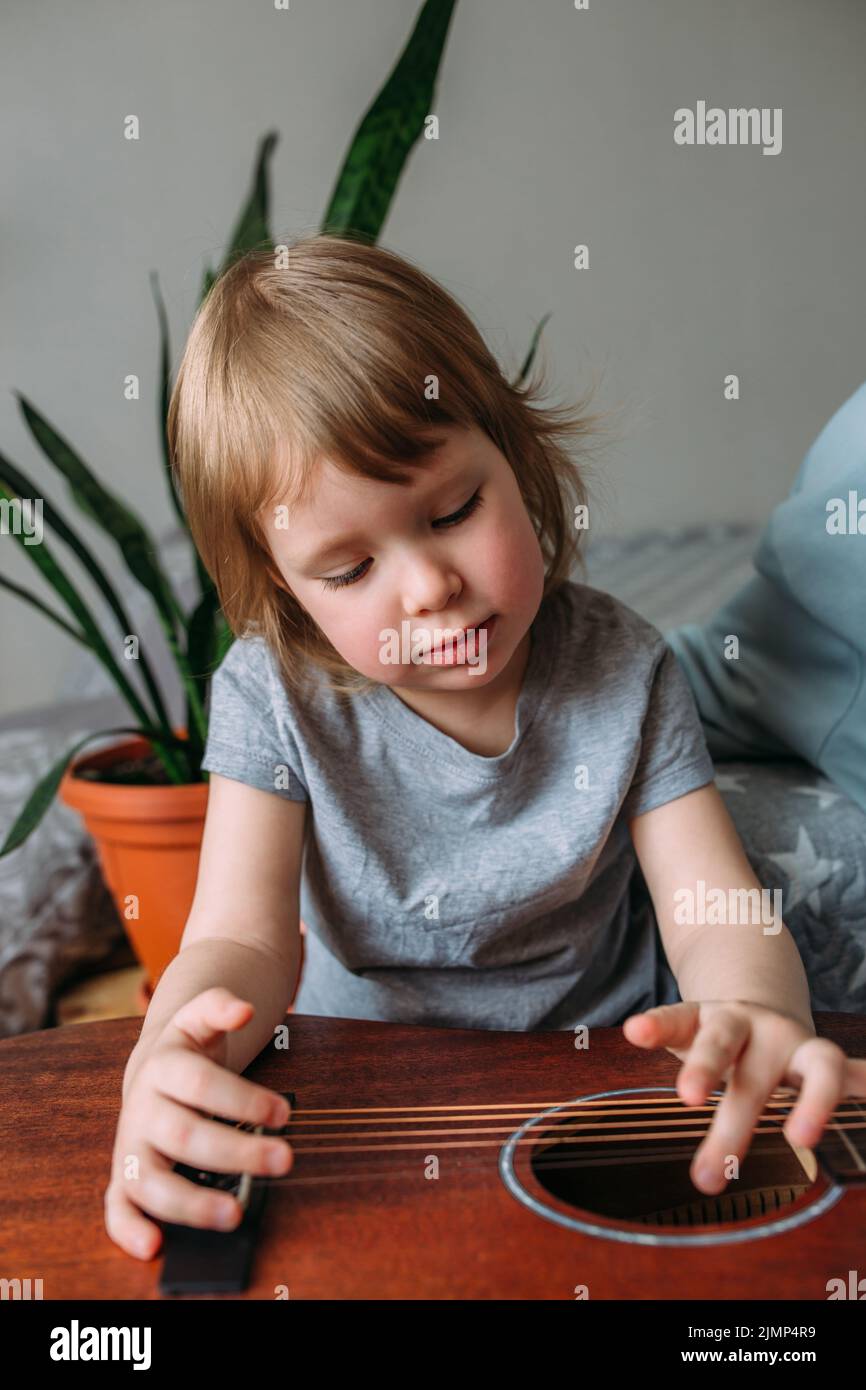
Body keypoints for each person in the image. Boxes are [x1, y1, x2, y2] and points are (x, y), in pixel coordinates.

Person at [104, 234, 866, 1261]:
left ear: (516, 455)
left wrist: (756, 1013)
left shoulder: (623, 668)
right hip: (367, 1084)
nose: (426, 586)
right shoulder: (270, 692)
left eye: (452, 510)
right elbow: (242, 939)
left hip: (600, 1083)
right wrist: (171, 1050)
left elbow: (712, 909)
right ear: (284, 589)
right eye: (346, 569)